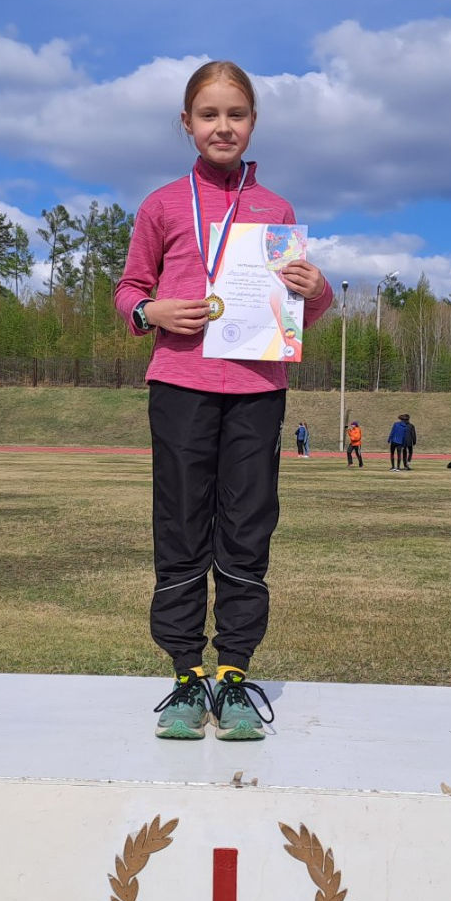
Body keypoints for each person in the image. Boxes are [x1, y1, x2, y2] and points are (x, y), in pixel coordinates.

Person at [114, 61, 334, 742]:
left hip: (256, 388)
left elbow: (305, 307)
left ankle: (234, 673)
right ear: (187, 124)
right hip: (180, 383)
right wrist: (153, 309)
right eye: (208, 115)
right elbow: (127, 292)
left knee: (247, 523)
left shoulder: (277, 211)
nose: (222, 126)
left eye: (235, 114)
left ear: (253, 123)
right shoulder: (161, 204)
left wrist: (317, 286)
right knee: (181, 524)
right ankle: (185, 674)